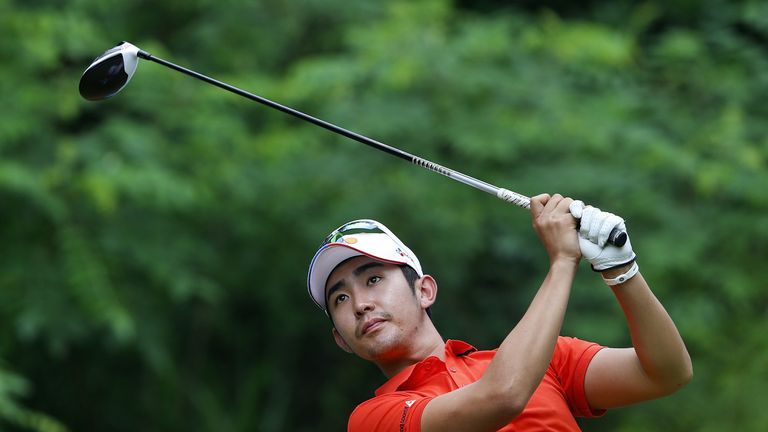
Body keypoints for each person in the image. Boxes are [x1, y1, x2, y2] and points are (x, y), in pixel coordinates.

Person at [306, 194, 692, 431]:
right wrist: (562, 261)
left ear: (424, 290)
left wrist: (622, 271)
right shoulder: (374, 418)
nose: (360, 304)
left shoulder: (547, 359)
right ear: (341, 339)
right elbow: (503, 397)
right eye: (340, 299)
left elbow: (666, 373)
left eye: (373, 279)